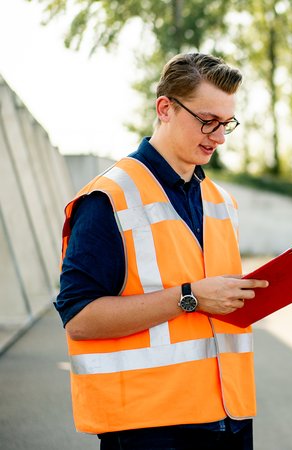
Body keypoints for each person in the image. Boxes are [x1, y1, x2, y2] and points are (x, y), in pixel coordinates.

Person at [55, 52, 268, 450]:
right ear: (165, 108)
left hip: (230, 417)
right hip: (149, 427)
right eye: (207, 120)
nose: (219, 137)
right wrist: (189, 297)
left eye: (226, 124)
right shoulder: (109, 198)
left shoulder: (221, 201)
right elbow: (79, 319)